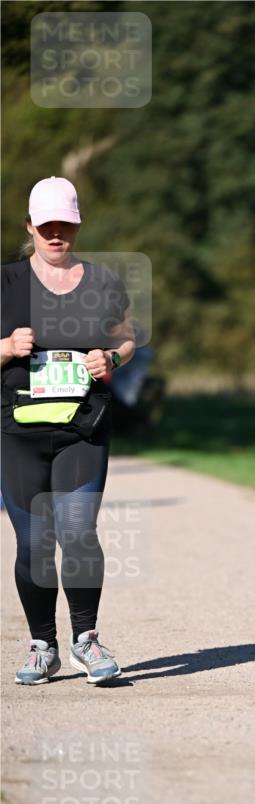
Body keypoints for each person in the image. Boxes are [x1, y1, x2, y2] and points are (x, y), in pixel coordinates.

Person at [1, 177, 135, 685]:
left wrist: (111, 359)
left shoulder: (102, 281)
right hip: (17, 431)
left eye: (66, 225)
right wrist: (8, 347)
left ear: (76, 225)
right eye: (47, 225)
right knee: (34, 544)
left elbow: (127, 339)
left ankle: (86, 641)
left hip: (82, 429)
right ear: (29, 226)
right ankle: (43, 645)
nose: (56, 235)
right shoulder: (6, 283)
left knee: (78, 534)